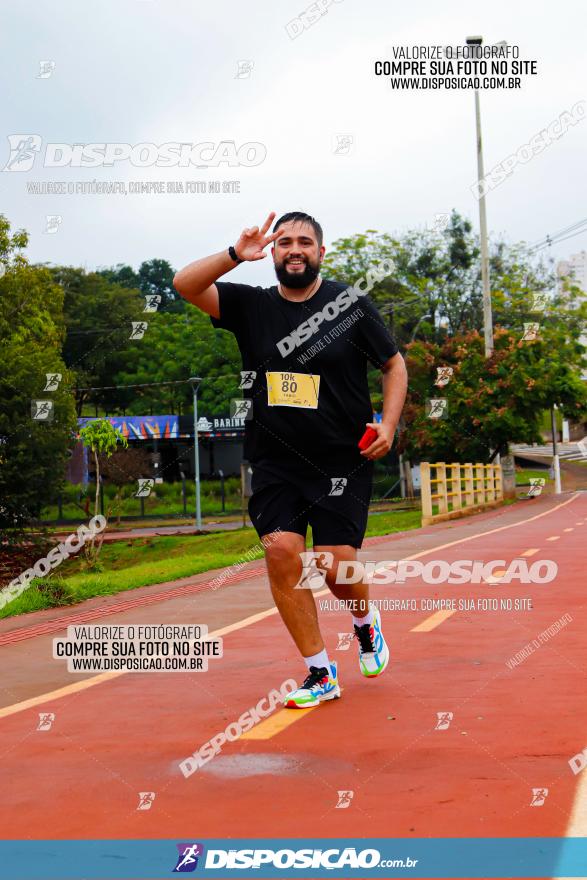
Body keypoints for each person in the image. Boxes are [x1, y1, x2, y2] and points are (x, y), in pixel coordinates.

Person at [174, 211, 407, 708]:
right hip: (276, 459)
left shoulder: (349, 304)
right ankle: (319, 672)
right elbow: (184, 283)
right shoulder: (250, 307)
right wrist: (236, 253)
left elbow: (393, 364)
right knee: (281, 553)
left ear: (321, 252)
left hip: (343, 457)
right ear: (273, 253)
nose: (294, 249)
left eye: (305, 241)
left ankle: (366, 625)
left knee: (332, 562)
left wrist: (388, 424)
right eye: (284, 242)